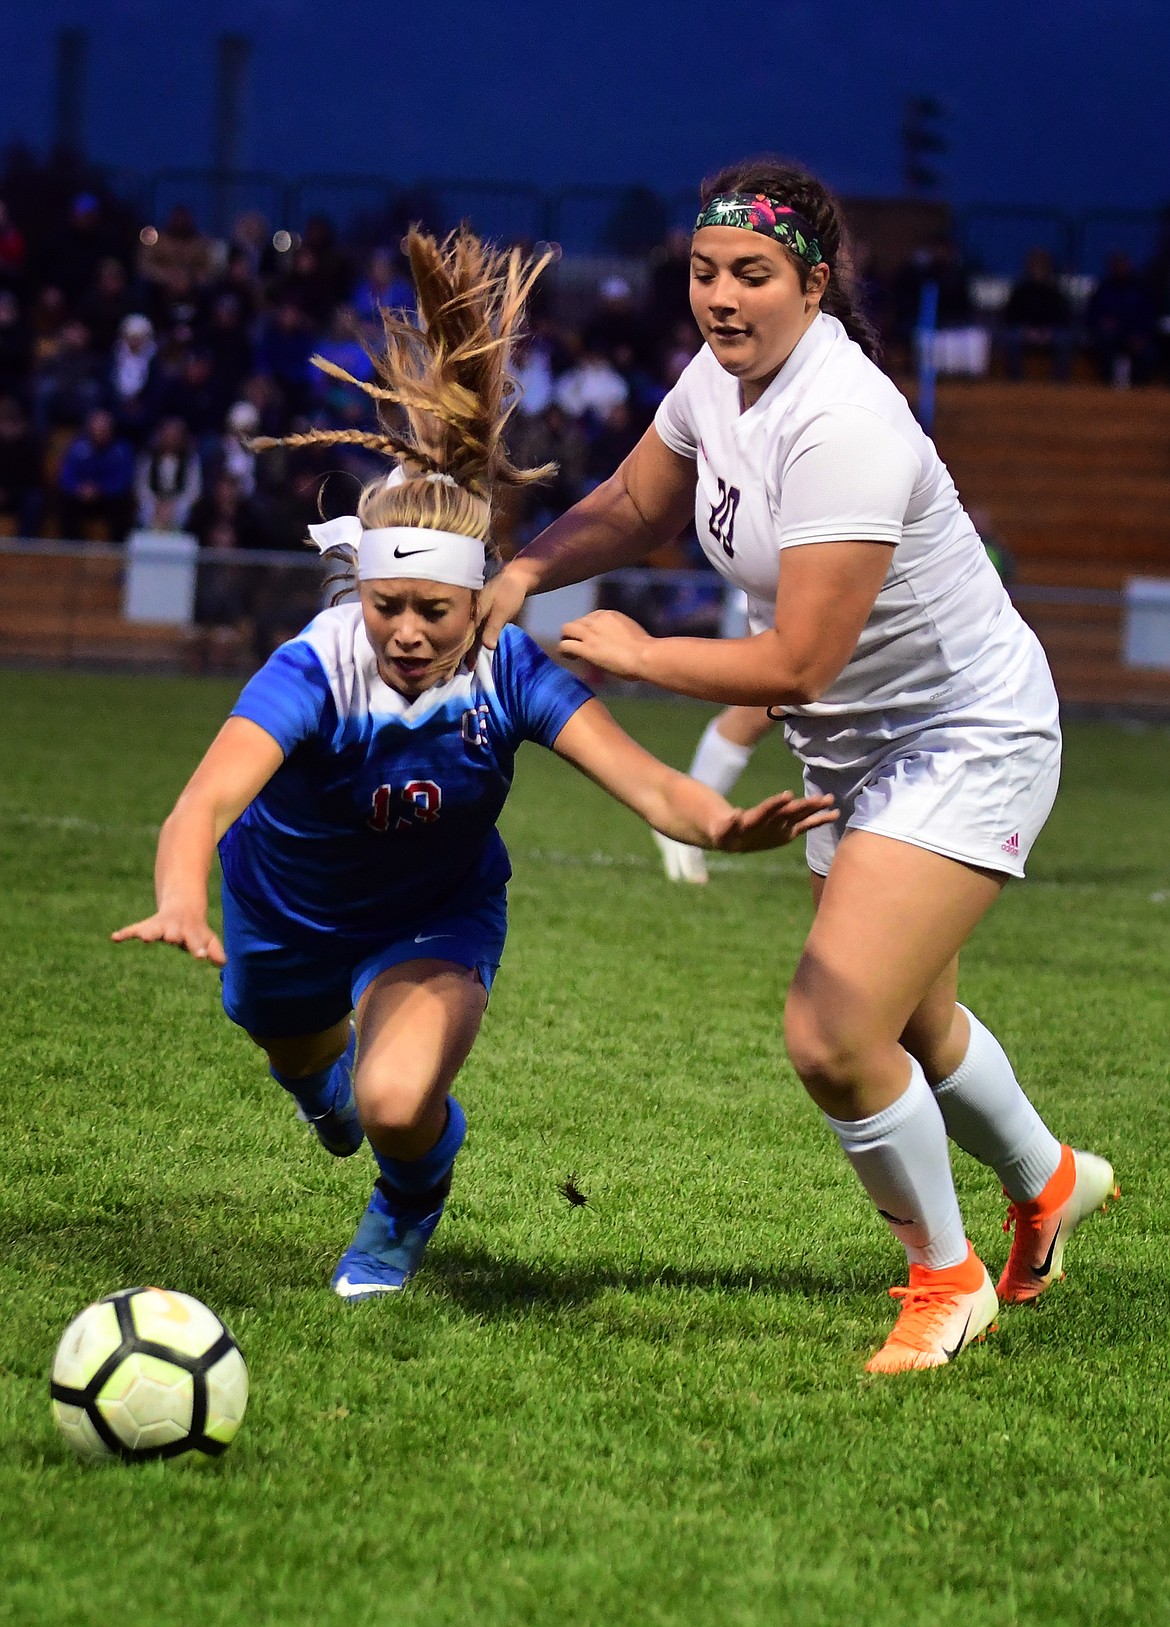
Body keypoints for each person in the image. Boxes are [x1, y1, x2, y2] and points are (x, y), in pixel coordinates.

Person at [111, 227, 833, 1302]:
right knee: (325, 1088)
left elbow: (647, 782)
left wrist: (721, 827)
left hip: (433, 920)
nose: (405, 630)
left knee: (398, 1106)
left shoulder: (509, 671)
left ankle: (403, 1215)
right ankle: (319, 1085)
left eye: (432, 610)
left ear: (477, 598)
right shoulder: (318, 667)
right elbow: (203, 802)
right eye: (385, 604)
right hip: (281, 922)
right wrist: (180, 897)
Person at [481, 159, 1118, 1374]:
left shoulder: (846, 419)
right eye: (704, 272)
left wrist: (641, 651)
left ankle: (949, 1279)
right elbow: (631, 502)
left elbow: (806, 658)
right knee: (908, 1013)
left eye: (752, 275)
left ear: (813, 284)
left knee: (832, 1031)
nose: (721, 298)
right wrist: (521, 571)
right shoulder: (718, 382)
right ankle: (1051, 1180)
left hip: (964, 736)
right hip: (864, 747)